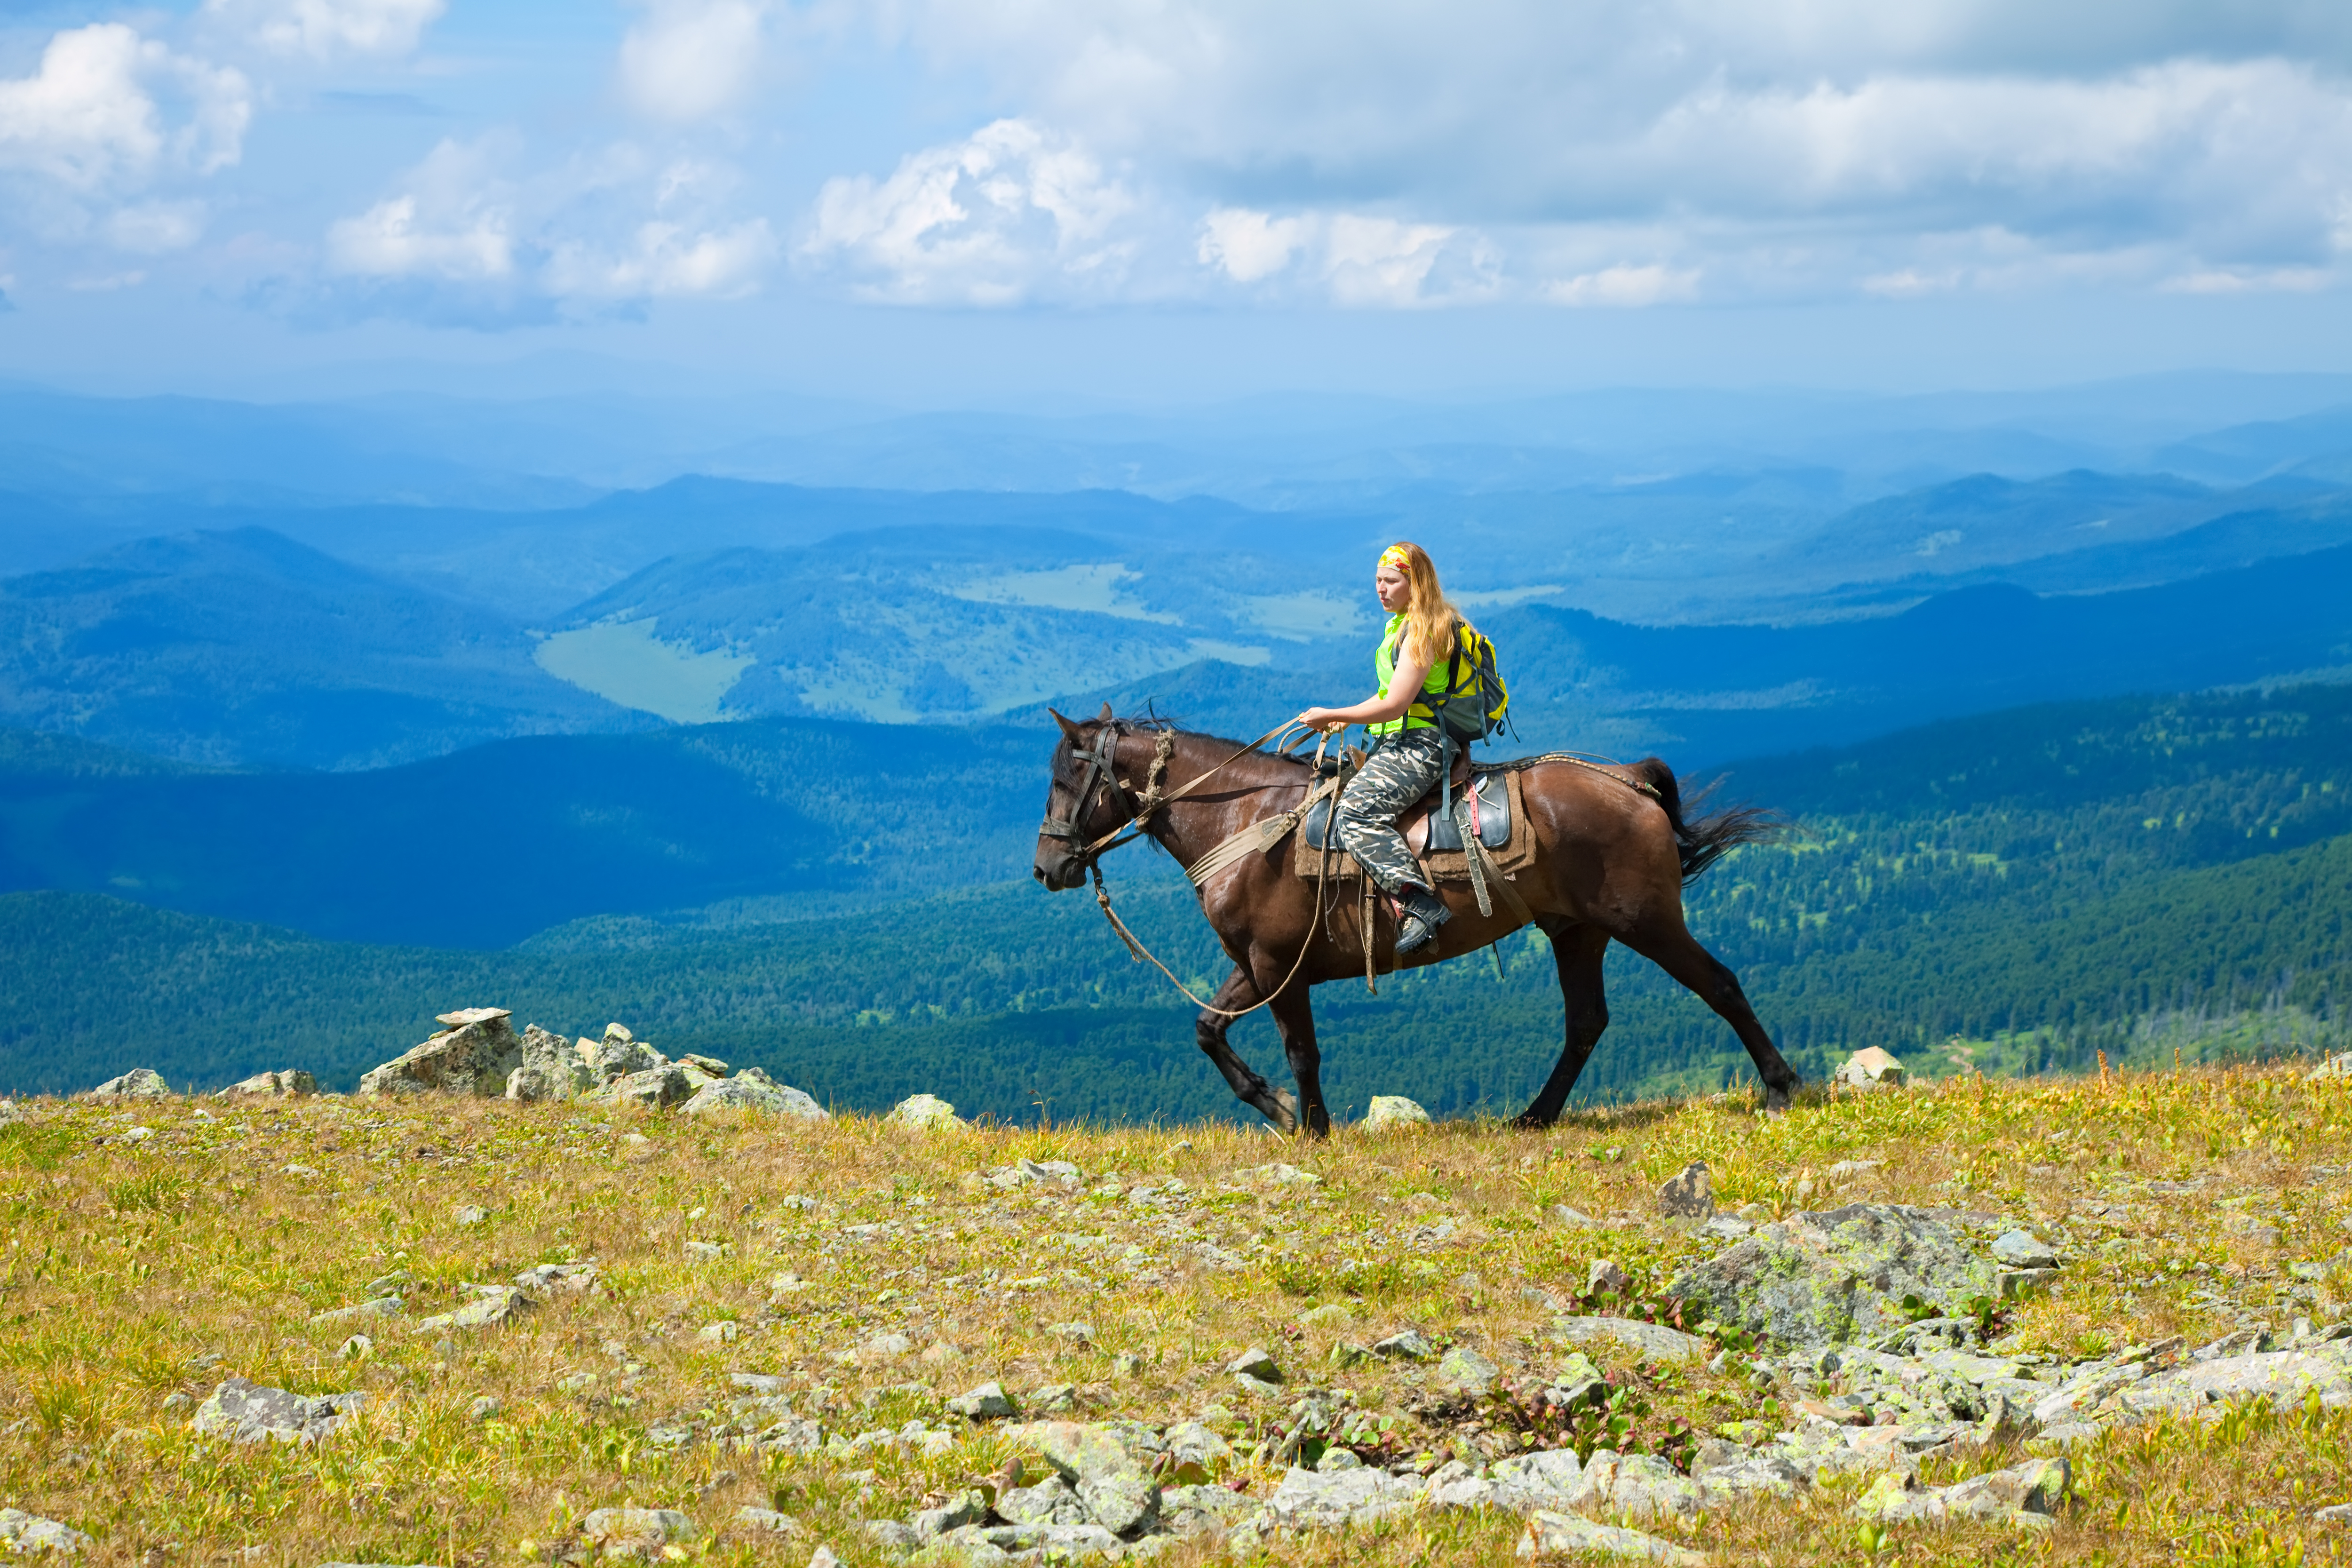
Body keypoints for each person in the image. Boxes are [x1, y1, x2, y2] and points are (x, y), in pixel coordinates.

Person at [1295, 541, 1467, 955]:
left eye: (1391, 581)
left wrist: (1335, 712)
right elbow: (1387, 696)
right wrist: (1344, 717)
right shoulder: (1402, 625)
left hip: (1422, 744)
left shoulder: (1425, 628)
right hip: (1399, 737)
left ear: (1415, 583)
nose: (1380, 589)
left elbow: (1397, 704)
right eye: (1378, 580)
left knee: (1354, 812)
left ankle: (1417, 903)